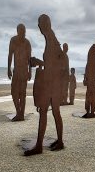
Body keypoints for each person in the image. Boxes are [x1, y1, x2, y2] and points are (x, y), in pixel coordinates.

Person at [25, 14, 65, 156]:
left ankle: (39, 146)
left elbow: (54, 64)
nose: (39, 26)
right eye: (39, 23)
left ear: (46, 23)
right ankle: (59, 141)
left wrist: (38, 62)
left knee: (45, 112)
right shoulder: (52, 38)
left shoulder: (51, 38)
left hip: (51, 83)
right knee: (54, 112)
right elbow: (58, 61)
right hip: (54, 83)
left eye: (40, 23)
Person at [7, 24, 32, 121]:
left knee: (22, 94)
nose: (23, 32)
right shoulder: (13, 40)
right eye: (21, 30)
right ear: (17, 31)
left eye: (24, 31)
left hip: (24, 71)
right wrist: (8, 68)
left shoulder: (27, 43)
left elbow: (29, 59)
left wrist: (30, 71)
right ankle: (19, 112)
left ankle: (21, 114)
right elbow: (10, 55)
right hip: (17, 70)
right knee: (14, 93)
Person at [83, 40, 95, 118]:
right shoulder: (92, 52)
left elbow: (87, 65)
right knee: (91, 95)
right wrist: (88, 78)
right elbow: (90, 66)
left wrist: (86, 77)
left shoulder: (92, 51)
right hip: (91, 79)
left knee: (89, 95)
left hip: (90, 78)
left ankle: (89, 111)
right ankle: (91, 112)